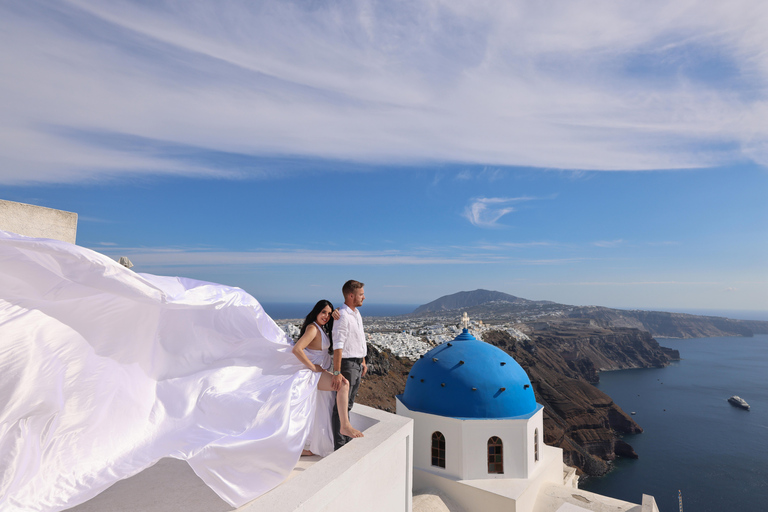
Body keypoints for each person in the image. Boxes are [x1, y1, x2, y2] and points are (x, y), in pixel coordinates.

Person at [291, 300, 363, 456]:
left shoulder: (321, 328)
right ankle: (345, 425)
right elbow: (297, 349)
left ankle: (308, 447)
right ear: (316, 311)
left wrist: (336, 312)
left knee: (321, 408)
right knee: (343, 384)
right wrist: (312, 366)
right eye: (323, 312)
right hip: (312, 373)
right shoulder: (312, 328)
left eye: (329, 313)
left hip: (319, 371)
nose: (326, 316)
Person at [331, 280, 368, 450]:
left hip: (357, 363)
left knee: (349, 404)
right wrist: (337, 371)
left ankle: (345, 439)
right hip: (347, 365)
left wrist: (363, 360)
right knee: (342, 406)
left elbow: (357, 339)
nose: (364, 297)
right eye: (361, 294)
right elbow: (338, 345)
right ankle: (340, 445)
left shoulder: (356, 313)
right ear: (351, 295)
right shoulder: (343, 316)